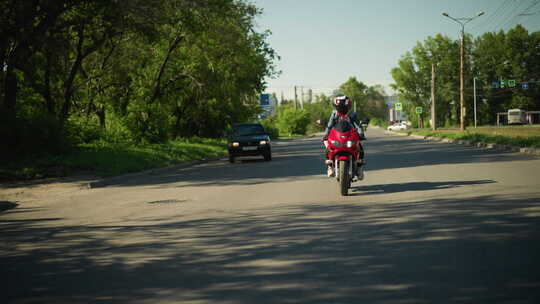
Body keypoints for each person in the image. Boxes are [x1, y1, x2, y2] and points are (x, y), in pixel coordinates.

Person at [323, 95, 366, 179]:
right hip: (337, 134)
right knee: (329, 147)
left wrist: (361, 134)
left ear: (348, 106)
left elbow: (357, 125)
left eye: (343, 107)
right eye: (339, 107)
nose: (342, 108)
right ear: (336, 106)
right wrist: (326, 134)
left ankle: (359, 167)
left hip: (351, 134)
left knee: (360, 147)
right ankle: (330, 166)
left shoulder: (352, 114)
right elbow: (330, 125)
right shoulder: (334, 113)